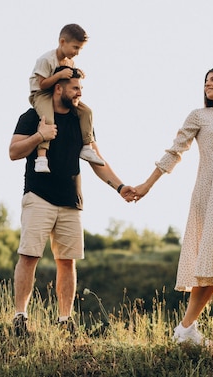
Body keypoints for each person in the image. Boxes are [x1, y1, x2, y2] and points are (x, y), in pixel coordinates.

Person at [133, 67, 213, 345]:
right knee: (211, 264)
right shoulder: (199, 115)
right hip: (210, 194)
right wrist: (146, 184)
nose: (208, 83)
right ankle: (194, 328)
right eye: (205, 80)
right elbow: (175, 151)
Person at [9, 66, 134, 336]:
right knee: (29, 256)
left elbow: (97, 161)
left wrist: (120, 187)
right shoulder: (33, 116)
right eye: (75, 88)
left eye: (80, 89)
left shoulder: (81, 119)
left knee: (67, 262)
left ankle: (64, 321)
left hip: (71, 201)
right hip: (38, 196)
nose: (79, 93)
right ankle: (20, 318)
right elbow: (13, 151)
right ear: (58, 88)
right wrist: (40, 137)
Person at [28, 23, 105, 173]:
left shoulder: (70, 62)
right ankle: (42, 157)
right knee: (48, 119)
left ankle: (87, 147)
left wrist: (77, 73)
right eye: (75, 47)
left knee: (86, 112)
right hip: (41, 94)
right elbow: (42, 84)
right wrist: (58, 76)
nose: (77, 52)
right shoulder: (46, 60)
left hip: (59, 93)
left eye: (80, 49)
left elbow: (67, 81)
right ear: (62, 42)